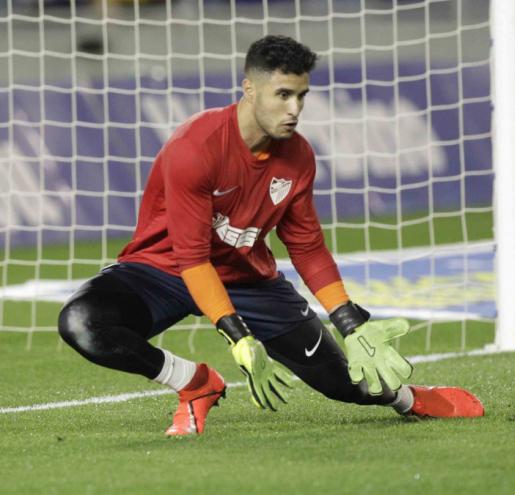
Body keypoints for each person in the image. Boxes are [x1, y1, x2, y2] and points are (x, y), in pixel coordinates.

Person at [57, 35, 484, 436]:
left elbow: (306, 246)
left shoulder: (298, 156)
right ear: (250, 89)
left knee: (348, 383)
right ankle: (194, 382)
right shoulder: (196, 147)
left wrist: (348, 320)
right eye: (283, 95)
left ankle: (411, 400)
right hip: (162, 270)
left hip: (248, 281)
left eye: (301, 96)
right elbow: (191, 257)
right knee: (84, 324)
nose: (294, 109)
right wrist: (238, 335)